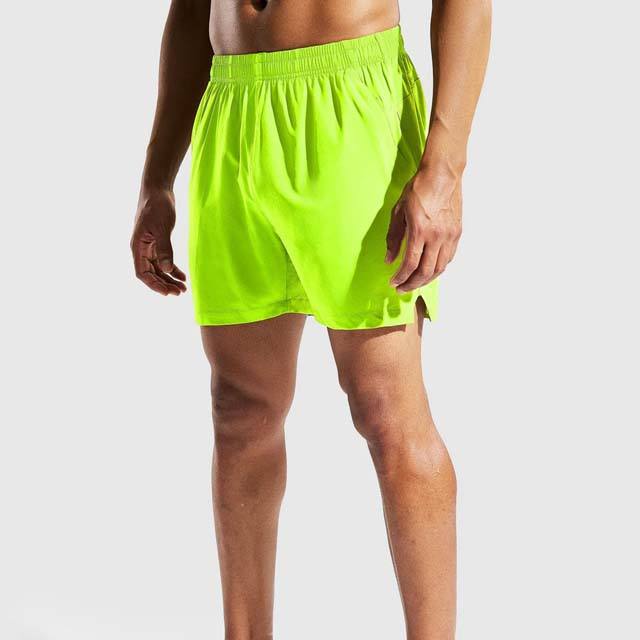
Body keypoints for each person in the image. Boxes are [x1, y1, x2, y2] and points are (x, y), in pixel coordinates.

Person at [131, 1, 491, 637]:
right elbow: (190, 12)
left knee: (385, 411)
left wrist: (444, 168)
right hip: (231, 113)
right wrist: (156, 179)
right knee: (240, 412)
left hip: (349, 103)